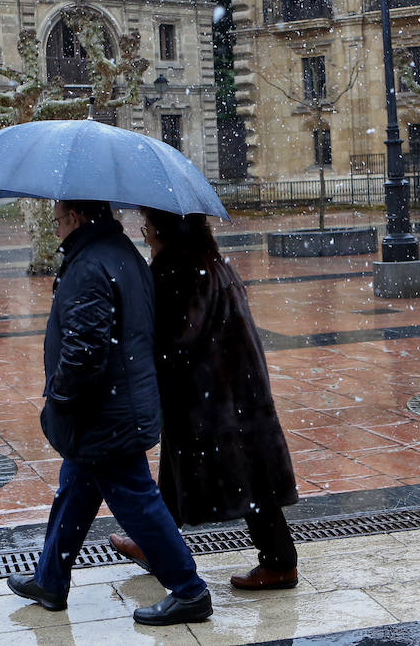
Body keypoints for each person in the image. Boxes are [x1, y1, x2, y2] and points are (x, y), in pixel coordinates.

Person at [7, 199, 212, 626]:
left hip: (103, 410)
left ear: (77, 218)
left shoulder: (89, 265)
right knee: (75, 490)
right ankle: (50, 579)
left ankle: (190, 590)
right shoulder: (120, 254)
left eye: (59, 220)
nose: (57, 229)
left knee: (136, 499)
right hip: (121, 402)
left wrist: (60, 397)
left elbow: (85, 350)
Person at [110, 208, 300, 590]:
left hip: (211, 397)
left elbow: (175, 341)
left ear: (165, 229)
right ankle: (155, 541)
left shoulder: (178, 271)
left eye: (148, 224)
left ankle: (280, 562)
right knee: (227, 469)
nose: (144, 231)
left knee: (248, 479)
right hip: (237, 391)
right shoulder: (210, 261)